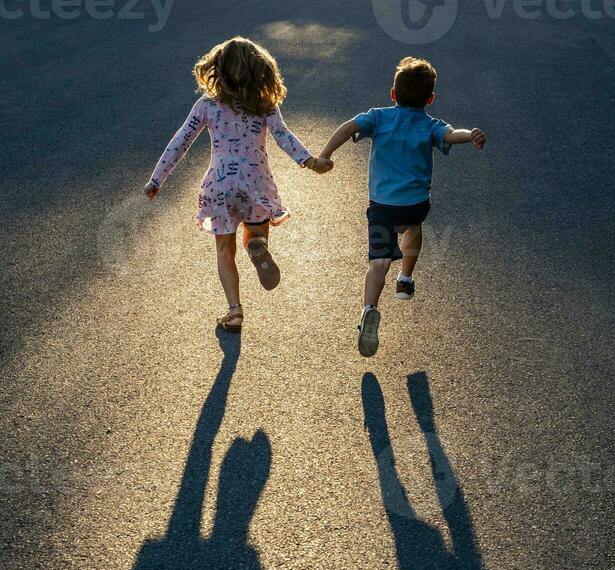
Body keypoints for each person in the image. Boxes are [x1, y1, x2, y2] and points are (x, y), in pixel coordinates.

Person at [144, 36, 333, 332]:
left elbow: (181, 141)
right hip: (255, 181)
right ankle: (257, 244)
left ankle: (234, 312)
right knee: (255, 233)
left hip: (220, 185)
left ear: (218, 70)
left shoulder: (207, 105)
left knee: (224, 250)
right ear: (260, 69)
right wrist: (310, 161)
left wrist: (156, 179)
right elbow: (284, 136)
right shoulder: (264, 105)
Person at [319, 57, 486, 356]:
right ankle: (406, 279)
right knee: (414, 229)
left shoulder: (378, 118)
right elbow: (450, 135)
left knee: (378, 262)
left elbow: (348, 127)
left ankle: (369, 309)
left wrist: (326, 154)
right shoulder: (430, 124)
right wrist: (469, 135)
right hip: (416, 204)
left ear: (393, 94)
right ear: (431, 99)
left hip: (382, 206)